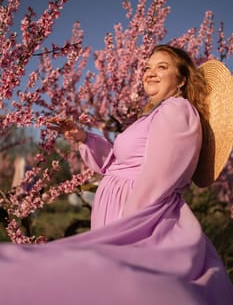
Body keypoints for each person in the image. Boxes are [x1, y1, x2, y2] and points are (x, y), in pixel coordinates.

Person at [0, 44, 232, 304]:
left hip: (137, 215)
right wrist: (82, 137)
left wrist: (130, 225)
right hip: (121, 211)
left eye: (162, 67)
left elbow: (160, 176)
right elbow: (116, 164)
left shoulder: (176, 110)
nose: (149, 72)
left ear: (181, 80)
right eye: (147, 67)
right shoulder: (153, 115)